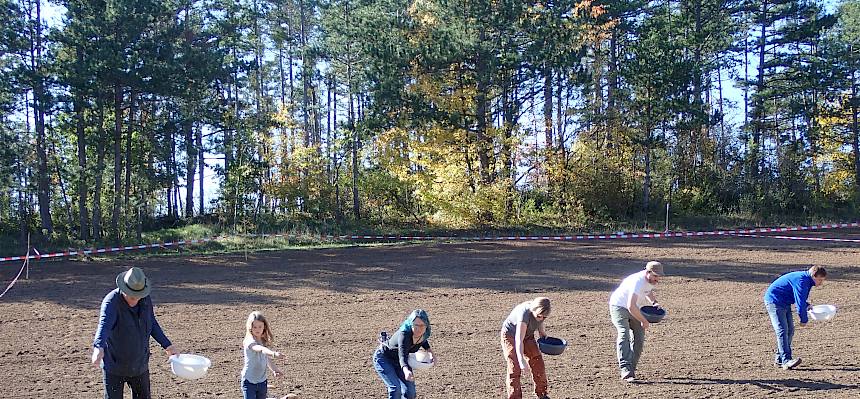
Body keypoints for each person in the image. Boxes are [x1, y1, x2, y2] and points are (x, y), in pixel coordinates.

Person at [91, 267, 179, 399]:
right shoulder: (111, 302)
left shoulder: (145, 299)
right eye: (132, 296)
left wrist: (167, 344)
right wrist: (98, 347)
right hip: (115, 365)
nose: (135, 300)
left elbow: (152, 323)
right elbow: (104, 326)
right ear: (124, 289)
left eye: (139, 296)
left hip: (139, 365)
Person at [608, 261, 664, 383]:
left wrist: (654, 302)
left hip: (634, 308)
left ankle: (631, 370)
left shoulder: (650, 280)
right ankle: (625, 369)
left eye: (658, 276)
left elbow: (647, 291)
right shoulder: (637, 281)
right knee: (624, 333)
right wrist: (644, 321)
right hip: (619, 306)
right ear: (647, 272)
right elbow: (630, 306)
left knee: (639, 337)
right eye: (655, 276)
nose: (657, 279)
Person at [764, 265, 827, 370]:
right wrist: (804, 319)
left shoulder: (806, 280)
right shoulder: (802, 281)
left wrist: (806, 305)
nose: (821, 283)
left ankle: (780, 359)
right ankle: (786, 360)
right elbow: (799, 301)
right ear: (813, 276)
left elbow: (798, 296)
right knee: (782, 330)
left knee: (790, 330)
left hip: (784, 302)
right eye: (820, 280)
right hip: (774, 301)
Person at [373, 309, 434, 399]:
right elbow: (402, 354)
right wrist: (406, 371)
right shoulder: (404, 335)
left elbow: (423, 341)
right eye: (415, 325)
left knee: (410, 392)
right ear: (410, 324)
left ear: (426, 325)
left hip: (400, 361)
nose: (418, 329)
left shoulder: (425, 333)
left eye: (422, 325)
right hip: (384, 358)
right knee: (395, 389)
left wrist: (431, 353)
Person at [500, 297, 551, 399]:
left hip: (527, 335)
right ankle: (515, 397)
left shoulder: (539, 313)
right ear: (533, 311)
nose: (541, 319)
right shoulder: (524, 316)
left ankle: (542, 394)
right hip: (511, 335)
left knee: (537, 361)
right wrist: (522, 360)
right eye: (539, 316)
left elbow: (539, 321)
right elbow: (519, 340)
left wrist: (542, 332)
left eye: (544, 317)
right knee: (515, 366)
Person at [241, 311, 284, 399]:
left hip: (262, 382)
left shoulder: (263, 340)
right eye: (255, 327)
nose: (257, 329)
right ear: (250, 327)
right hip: (249, 382)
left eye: (260, 327)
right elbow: (260, 349)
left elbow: (265, 358)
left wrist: (274, 370)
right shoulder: (249, 341)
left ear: (264, 327)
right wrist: (273, 353)